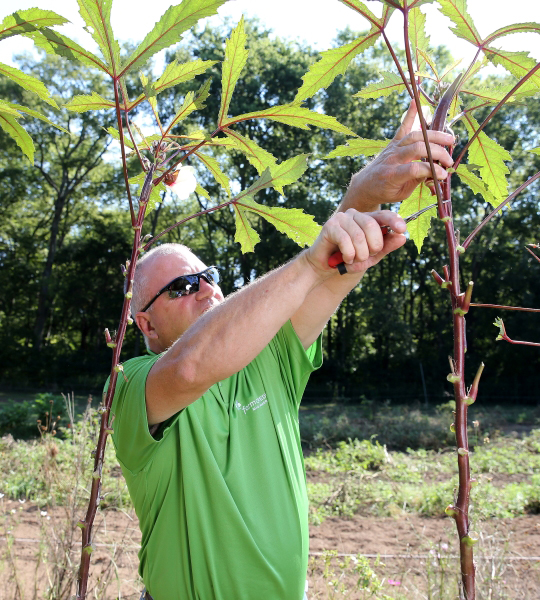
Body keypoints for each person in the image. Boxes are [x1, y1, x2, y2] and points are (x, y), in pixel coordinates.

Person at [106, 103, 454, 600]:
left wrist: (368, 190)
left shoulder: (268, 358)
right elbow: (190, 366)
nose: (206, 290)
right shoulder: (131, 385)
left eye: (209, 276)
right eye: (183, 286)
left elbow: (329, 273)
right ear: (146, 322)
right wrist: (312, 261)